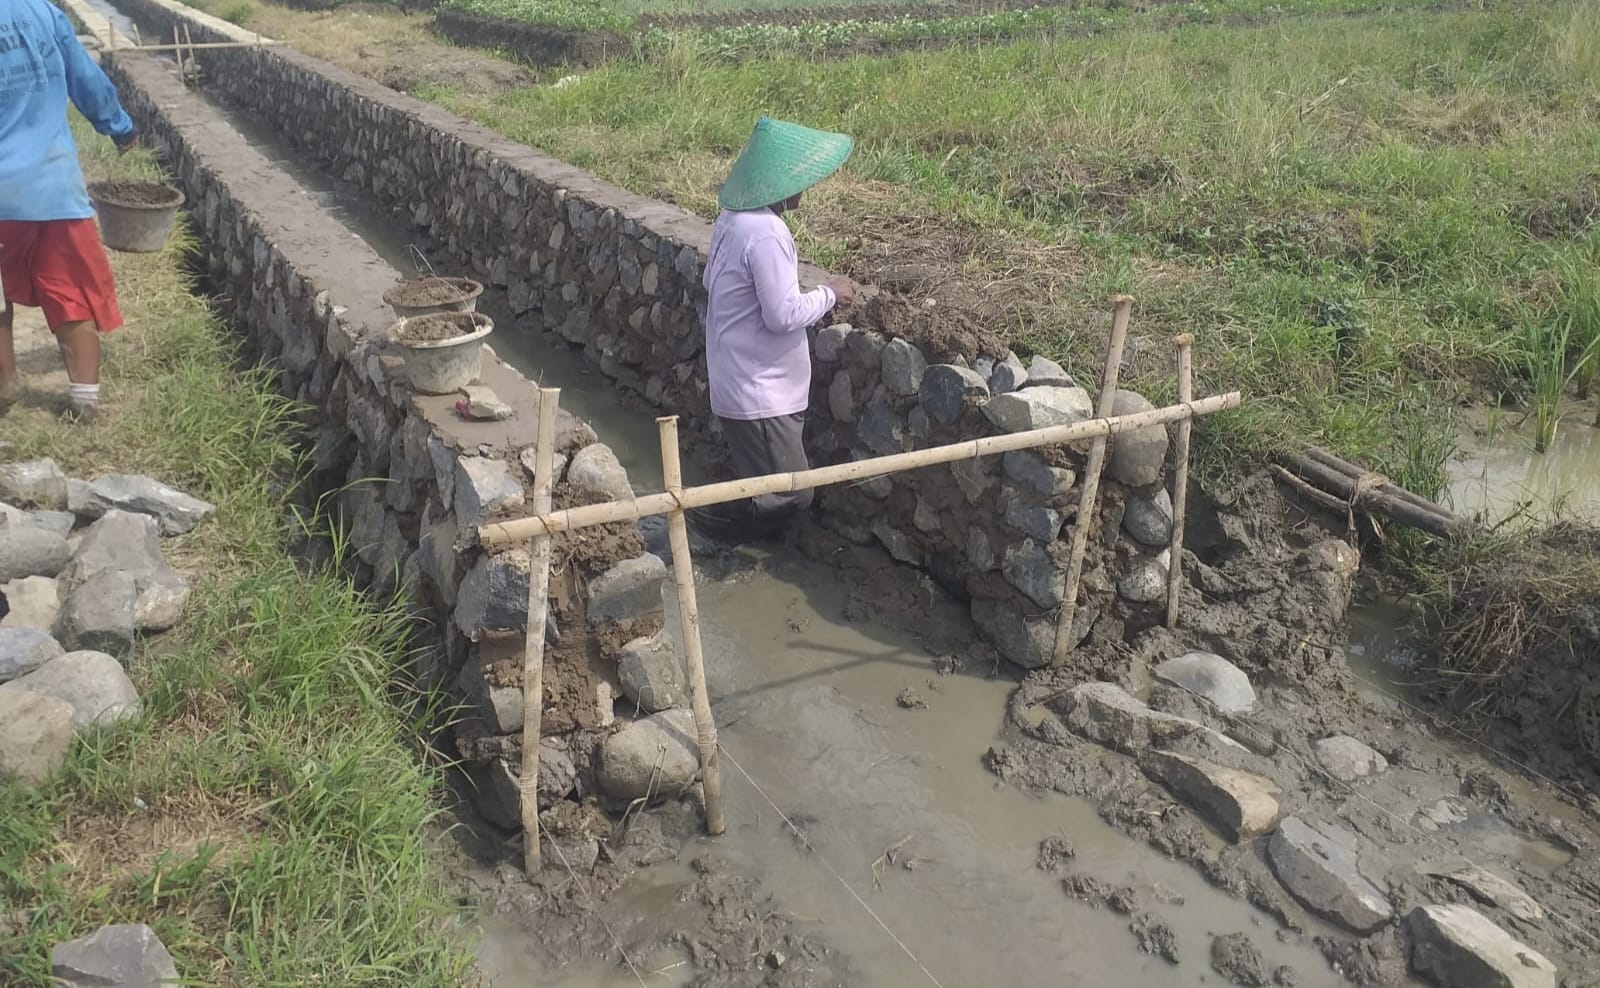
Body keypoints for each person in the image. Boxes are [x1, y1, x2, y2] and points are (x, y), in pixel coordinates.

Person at [696, 116, 856, 541]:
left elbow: (711, 282)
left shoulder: (731, 219)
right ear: (778, 184)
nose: (805, 187)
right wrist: (831, 293)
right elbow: (782, 315)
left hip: (739, 378)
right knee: (792, 493)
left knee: (763, 481)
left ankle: (752, 545)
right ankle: (698, 525)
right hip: (760, 391)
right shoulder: (767, 232)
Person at [0, 0, 139, 421]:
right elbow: (85, 79)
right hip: (52, 184)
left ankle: (5, 387)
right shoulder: (42, 13)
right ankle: (84, 401)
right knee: (71, 293)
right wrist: (119, 125)